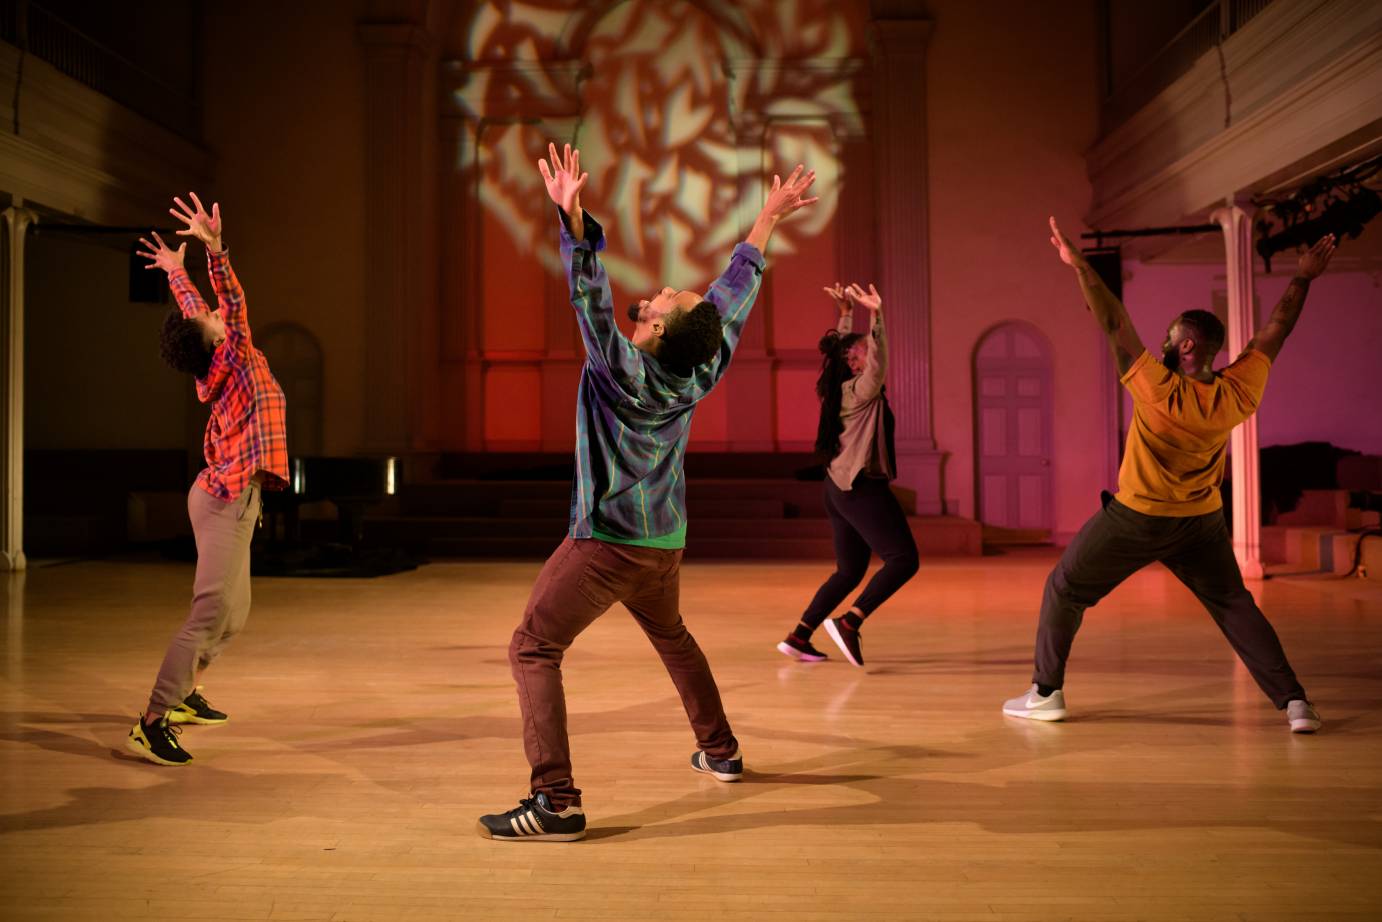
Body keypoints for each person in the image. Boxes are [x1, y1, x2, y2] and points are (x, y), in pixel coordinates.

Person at [477, 143, 817, 841]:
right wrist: (766, 222)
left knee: (533, 648)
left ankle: (556, 802)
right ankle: (720, 751)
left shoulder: (620, 370)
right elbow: (731, 297)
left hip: (608, 543)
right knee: (672, 635)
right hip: (661, 544)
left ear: (656, 327)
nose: (666, 290)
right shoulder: (699, 368)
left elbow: (590, 300)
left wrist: (572, 221)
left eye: (670, 298)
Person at [1002, 217, 1336, 733]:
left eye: (1168, 336)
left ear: (1184, 348)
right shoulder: (1239, 390)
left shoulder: (1159, 389)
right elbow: (1278, 327)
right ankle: (1295, 704)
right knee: (1232, 604)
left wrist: (1080, 265)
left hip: (1138, 517)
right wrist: (1304, 277)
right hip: (1201, 521)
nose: (1159, 341)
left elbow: (1113, 323)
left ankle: (1045, 694)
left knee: (1064, 588)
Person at [126, 194, 288, 766]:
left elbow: (200, 309)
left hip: (231, 497)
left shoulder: (218, 354)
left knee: (234, 614)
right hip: (222, 501)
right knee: (208, 612)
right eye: (213, 320)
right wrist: (214, 250)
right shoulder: (236, 355)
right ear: (219, 337)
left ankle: (185, 692)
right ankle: (152, 719)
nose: (215, 314)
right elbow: (231, 301)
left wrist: (175, 270)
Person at [777, 283, 918, 667]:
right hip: (858, 488)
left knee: (850, 570)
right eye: (858, 356)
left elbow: (841, 354)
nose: (862, 359)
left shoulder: (837, 389)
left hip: (836, 488)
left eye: (860, 354)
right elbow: (879, 358)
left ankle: (799, 636)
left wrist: (844, 314)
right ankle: (851, 622)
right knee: (904, 559)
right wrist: (876, 316)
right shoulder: (861, 390)